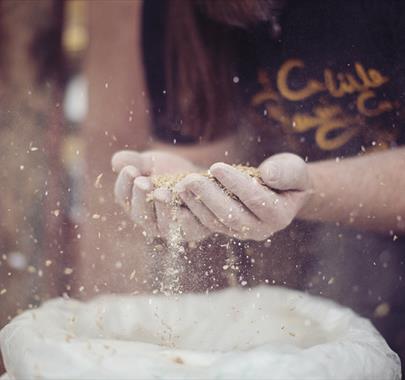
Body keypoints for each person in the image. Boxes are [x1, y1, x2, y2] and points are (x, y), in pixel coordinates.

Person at [111, 0, 405, 367]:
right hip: (308, 215)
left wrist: (311, 190)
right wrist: (183, 182)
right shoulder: (176, 9)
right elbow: (198, 145)